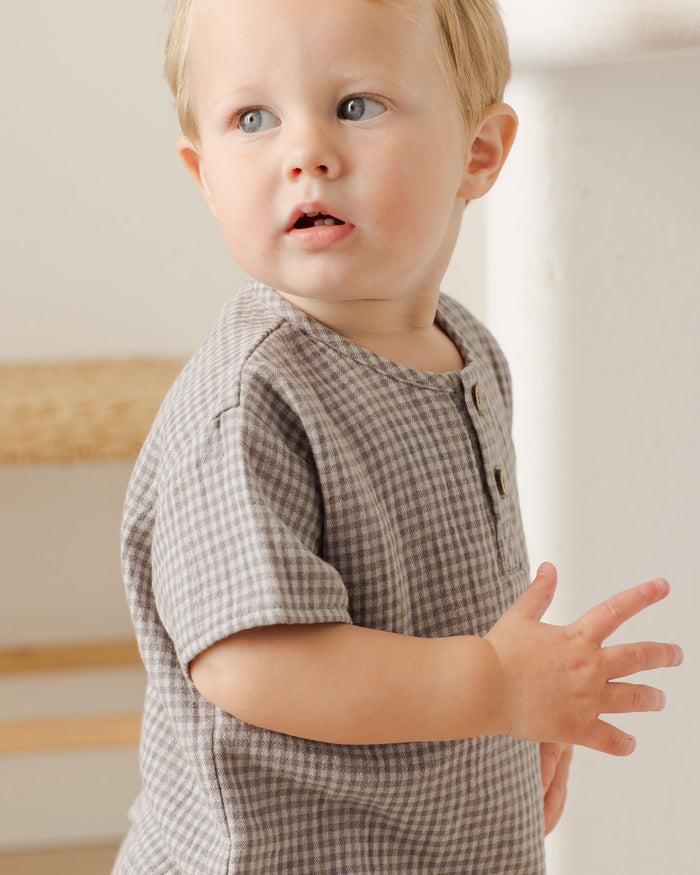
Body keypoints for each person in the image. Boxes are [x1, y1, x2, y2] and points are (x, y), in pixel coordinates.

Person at [114, 0, 684, 871]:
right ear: (204, 175)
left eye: (355, 106)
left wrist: (518, 721)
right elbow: (256, 666)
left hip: (432, 840)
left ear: (479, 151)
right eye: (252, 118)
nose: (306, 153)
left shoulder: (470, 353)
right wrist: (497, 685)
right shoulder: (251, 400)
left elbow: (463, 603)